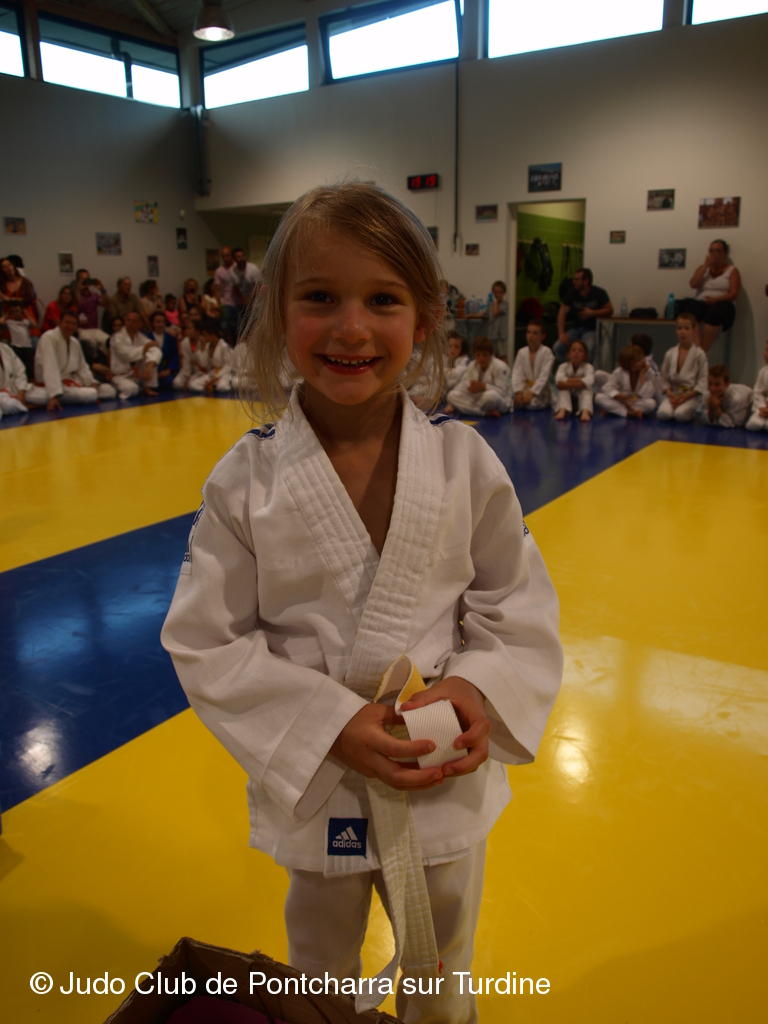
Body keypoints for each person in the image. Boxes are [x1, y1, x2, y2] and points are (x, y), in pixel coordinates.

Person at [160, 182, 563, 1024]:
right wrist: (331, 725)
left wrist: (476, 688)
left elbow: (514, 601)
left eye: (383, 300)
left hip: (437, 765)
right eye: (319, 298)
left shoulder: (464, 463)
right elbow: (208, 640)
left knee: (442, 969)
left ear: (426, 319)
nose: (351, 327)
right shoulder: (245, 481)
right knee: (320, 973)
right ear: (277, 313)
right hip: (326, 780)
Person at [29, 310, 116, 411]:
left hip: (70, 384)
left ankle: (83, 393)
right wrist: (54, 394)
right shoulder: (48, 337)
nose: (70, 326)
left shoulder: (75, 342)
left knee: (110, 391)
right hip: (51, 386)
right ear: (60, 322)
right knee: (91, 394)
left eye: (73, 324)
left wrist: (91, 382)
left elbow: (82, 367)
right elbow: (50, 367)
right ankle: (56, 397)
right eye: (67, 322)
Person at [685, 240, 740, 352]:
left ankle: (702, 351)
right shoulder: (703, 268)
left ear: (725, 253)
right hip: (702, 301)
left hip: (722, 302)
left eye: (718, 251)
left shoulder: (732, 270)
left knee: (713, 316)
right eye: (711, 251)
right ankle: (696, 349)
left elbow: (734, 293)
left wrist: (715, 300)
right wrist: (705, 266)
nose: (714, 254)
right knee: (691, 314)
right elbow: (693, 284)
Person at [657, 312, 708, 422]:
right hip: (674, 394)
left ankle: (690, 411)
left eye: (687, 328)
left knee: (680, 415)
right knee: (663, 414)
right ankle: (674, 406)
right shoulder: (670, 353)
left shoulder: (699, 354)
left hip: (691, 395)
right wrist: (669, 393)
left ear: (694, 330)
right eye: (679, 328)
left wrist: (688, 396)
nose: (682, 332)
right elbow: (663, 377)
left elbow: (703, 380)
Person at [444, 335, 512, 417]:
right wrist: (471, 388)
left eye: (484, 355)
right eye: (478, 355)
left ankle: (473, 409)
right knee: (451, 396)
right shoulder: (472, 365)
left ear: (491, 353)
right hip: (479, 397)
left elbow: (502, 392)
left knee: (490, 396)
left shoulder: (500, 366)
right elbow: (467, 384)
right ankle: (484, 413)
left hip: (499, 400)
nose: (481, 358)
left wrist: (483, 386)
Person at [555, 268, 612, 361]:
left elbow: (609, 310)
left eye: (577, 279)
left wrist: (592, 313)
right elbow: (562, 312)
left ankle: (584, 369)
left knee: (587, 349)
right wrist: (561, 334)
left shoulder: (598, 293)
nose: (573, 282)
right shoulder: (572, 293)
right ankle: (572, 366)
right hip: (576, 328)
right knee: (557, 347)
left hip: (592, 329)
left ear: (586, 281)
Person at [595, 343, 657, 419]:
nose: (643, 361)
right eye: (639, 360)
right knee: (599, 397)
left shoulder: (648, 372)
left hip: (637, 402)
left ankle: (615, 410)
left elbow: (647, 395)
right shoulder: (619, 371)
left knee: (651, 403)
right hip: (621, 401)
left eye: (643, 358)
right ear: (630, 363)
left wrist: (642, 375)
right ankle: (628, 412)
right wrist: (621, 397)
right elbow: (607, 388)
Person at [110, 310, 162, 399]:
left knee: (153, 351)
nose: (130, 323)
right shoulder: (116, 338)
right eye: (128, 320)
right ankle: (118, 390)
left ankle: (147, 387)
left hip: (134, 375)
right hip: (120, 376)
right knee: (132, 389)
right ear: (125, 322)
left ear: (140, 324)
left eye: (134, 321)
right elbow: (129, 354)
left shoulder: (140, 336)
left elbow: (154, 348)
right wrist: (147, 346)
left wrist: (149, 366)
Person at [512, 318, 555, 409]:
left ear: (543, 336)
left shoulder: (547, 352)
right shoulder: (521, 352)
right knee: (516, 403)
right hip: (525, 390)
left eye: (535, 333)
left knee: (531, 404)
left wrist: (532, 393)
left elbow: (544, 377)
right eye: (529, 332)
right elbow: (517, 374)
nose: (531, 335)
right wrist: (519, 392)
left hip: (541, 392)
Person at [554, 338, 594, 421]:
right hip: (568, 399)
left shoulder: (589, 367)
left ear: (585, 355)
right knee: (563, 390)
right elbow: (559, 380)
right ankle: (563, 410)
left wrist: (566, 383)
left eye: (580, 351)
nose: (576, 352)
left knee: (587, 390)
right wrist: (580, 379)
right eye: (573, 350)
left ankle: (585, 411)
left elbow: (589, 382)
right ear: (569, 354)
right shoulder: (563, 366)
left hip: (582, 398)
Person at [700, 364, 752, 428]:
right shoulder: (707, 394)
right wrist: (710, 408)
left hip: (748, 397)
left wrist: (717, 409)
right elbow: (706, 421)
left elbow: (732, 424)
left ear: (727, 384)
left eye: (717, 385)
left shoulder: (736, 399)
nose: (712, 388)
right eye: (710, 384)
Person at [189, 320, 232, 393]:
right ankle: (211, 387)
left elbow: (228, 366)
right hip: (211, 373)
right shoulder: (207, 345)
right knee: (193, 385)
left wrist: (216, 377)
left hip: (223, 374)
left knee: (222, 387)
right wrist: (202, 349)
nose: (203, 337)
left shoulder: (224, 346)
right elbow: (203, 364)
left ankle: (215, 386)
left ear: (212, 334)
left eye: (205, 335)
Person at [228, 246, 262, 339]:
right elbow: (235, 287)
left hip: (256, 300)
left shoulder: (253, 268)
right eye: (238, 256)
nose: (241, 258)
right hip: (241, 302)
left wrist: (249, 299)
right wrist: (243, 299)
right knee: (241, 325)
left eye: (242, 255)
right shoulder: (232, 271)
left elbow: (257, 286)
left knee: (256, 323)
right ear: (234, 259)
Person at [0, 338, 39, 417]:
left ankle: (24, 404)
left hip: (16, 389)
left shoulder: (5, 348)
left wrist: (21, 391)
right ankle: (26, 406)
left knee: (47, 396)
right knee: (8, 405)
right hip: (3, 396)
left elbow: (20, 370)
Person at [0, 300, 39, 378]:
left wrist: (26, 313)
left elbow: (34, 324)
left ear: (21, 311)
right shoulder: (10, 322)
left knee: (30, 367)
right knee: (19, 367)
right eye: (13, 311)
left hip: (27, 347)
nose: (15, 313)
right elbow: (1, 322)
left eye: (17, 311)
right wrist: (8, 313)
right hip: (16, 347)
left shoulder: (26, 321)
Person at [74, 271, 109, 350]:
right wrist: (78, 289)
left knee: (108, 341)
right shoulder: (75, 295)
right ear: (77, 281)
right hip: (82, 330)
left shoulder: (94, 295)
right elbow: (76, 306)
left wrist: (102, 289)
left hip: (95, 329)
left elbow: (106, 304)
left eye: (87, 279)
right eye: (83, 279)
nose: (86, 282)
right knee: (91, 344)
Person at [148, 311, 180, 390]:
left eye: (163, 322)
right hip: (152, 371)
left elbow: (175, 356)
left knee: (169, 382)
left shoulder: (170, 338)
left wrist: (169, 370)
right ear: (152, 323)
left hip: (166, 371)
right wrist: (153, 372)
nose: (161, 324)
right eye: (158, 322)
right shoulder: (147, 338)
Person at [0, 255, 37, 322]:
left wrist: (10, 299)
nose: (9, 268)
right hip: (9, 317)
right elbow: (3, 300)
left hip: (26, 315)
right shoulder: (2, 285)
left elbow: (29, 299)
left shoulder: (25, 281)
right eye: (5, 267)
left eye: (9, 264)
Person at [214, 245, 237, 338]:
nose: (225, 258)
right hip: (227, 302)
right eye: (223, 256)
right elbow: (217, 289)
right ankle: (230, 345)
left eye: (227, 255)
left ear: (231, 255)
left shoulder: (238, 267)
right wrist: (219, 304)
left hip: (239, 302)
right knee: (224, 326)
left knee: (240, 326)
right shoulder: (219, 271)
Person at [746, 340, 768, 432]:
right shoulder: (763, 371)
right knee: (753, 424)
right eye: (766, 350)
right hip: (765, 407)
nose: (764, 353)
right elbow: (758, 392)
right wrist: (762, 407)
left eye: (767, 351)